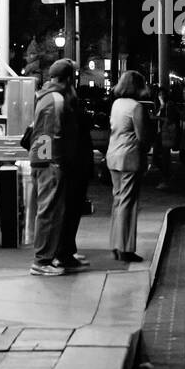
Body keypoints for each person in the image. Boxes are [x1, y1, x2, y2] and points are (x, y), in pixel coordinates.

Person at [27, 58, 80, 277]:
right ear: (68, 78)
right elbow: (51, 134)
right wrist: (55, 162)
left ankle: (45, 257)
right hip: (50, 162)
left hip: (43, 160)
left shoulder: (45, 96)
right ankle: (41, 260)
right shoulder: (56, 100)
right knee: (48, 211)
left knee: (47, 210)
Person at [106, 71, 152, 263]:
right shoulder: (136, 107)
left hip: (113, 155)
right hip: (129, 157)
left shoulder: (116, 104)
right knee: (128, 203)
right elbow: (142, 137)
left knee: (117, 201)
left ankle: (115, 245)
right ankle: (126, 247)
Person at [53, 71, 95, 270]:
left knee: (70, 211)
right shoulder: (63, 102)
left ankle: (67, 250)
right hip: (72, 164)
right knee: (69, 211)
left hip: (72, 163)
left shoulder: (63, 101)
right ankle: (63, 253)